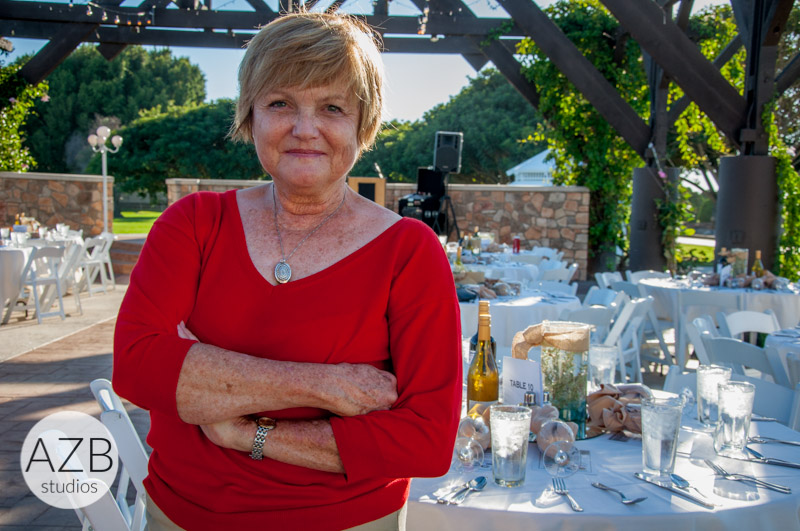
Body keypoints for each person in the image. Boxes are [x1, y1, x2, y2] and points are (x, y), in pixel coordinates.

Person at [113, 11, 462, 531]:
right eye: (280, 103)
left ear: (363, 124)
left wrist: (243, 429)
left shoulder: (408, 251)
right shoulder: (194, 224)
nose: (304, 129)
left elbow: (426, 441)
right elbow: (137, 366)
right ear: (250, 116)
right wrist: (326, 385)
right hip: (185, 516)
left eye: (332, 107)